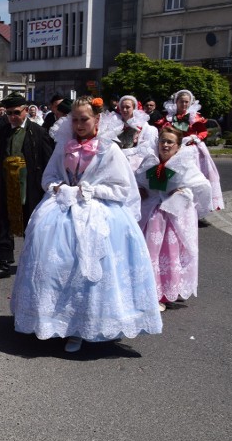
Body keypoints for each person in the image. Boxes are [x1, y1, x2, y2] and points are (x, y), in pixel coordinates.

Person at [12, 96, 162, 353]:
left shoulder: (109, 149)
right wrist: (58, 187)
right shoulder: (63, 145)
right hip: (62, 211)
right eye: (75, 120)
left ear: (97, 119)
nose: (80, 124)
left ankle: (84, 327)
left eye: (85, 119)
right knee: (54, 265)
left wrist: (89, 190)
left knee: (88, 271)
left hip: (99, 214)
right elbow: (49, 176)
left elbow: (122, 188)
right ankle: (54, 321)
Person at [136, 128, 212, 312]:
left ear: (178, 147)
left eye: (170, 142)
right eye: (163, 141)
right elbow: (136, 179)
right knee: (150, 253)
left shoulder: (184, 163)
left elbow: (202, 185)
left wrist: (183, 192)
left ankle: (166, 291)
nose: (165, 145)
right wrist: (140, 189)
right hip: (152, 215)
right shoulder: (150, 160)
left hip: (172, 216)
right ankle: (152, 292)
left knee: (171, 254)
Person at [0, 92, 54, 281]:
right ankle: (3, 263)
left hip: (31, 187)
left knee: (32, 224)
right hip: (8, 184)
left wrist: (48, 189)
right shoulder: (4, 130)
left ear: (25, 111)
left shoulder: (38, 132)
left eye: (16, 112)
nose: (12, 117)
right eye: (9, 113)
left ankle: (35, 263)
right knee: (4, 224)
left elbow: (48, 162)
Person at [157, 90, 224, 212]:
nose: (184, 104)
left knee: (193, 178)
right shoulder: (170, 117)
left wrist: (195, 137)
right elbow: (164, 130)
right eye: (181, 101)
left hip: (192, 150)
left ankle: (197, 207)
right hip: (174, 149)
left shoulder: (194, 116)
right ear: (176, 102)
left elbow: (203, 132)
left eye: (186, 102)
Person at [116, 95, 158, 172]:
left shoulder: (143, 127)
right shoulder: (115, 125)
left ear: (134, 109)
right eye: (122, 107)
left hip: (135, 165)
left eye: (128, 107)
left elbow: (145, 149)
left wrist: (123, 153)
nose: (124, 110)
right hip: (117, 162)